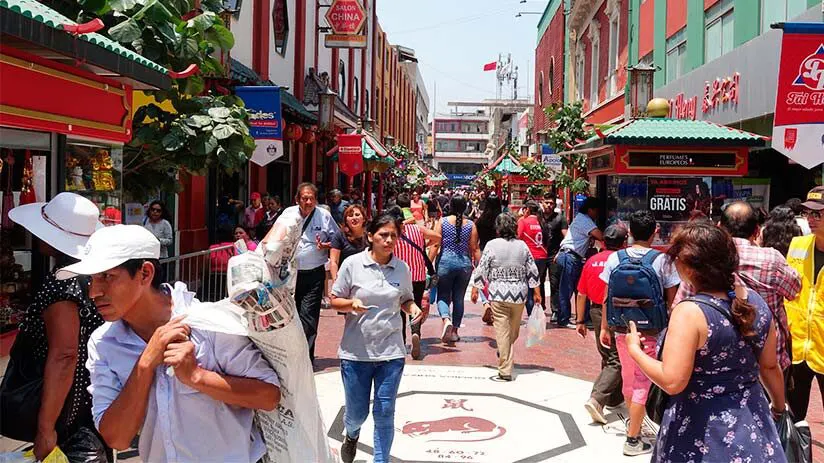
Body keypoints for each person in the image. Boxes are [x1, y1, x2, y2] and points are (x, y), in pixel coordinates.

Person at [59, 225, 280, 462]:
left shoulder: (208, 323)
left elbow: (268, 396)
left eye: (107, 277)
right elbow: (117, 439)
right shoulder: (103, 343)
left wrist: (196, 376)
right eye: (91, 280)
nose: (94, 292)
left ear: (145, 273)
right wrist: (145, 365)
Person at [629, 222, 786, 462]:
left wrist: (636, 351)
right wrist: (777, 406)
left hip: (700, 429)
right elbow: (770, 367)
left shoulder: (690, 312)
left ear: (689, 266)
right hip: (753, 424)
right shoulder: (755, 303)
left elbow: (672, 381)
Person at [3, 193, 107, 461]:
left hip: (66, 414)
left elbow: (64, 355)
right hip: (89, 400)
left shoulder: (62, 283)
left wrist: (46, 428)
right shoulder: (94, 276)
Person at [330, 213, 423, 463]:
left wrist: (412, 308)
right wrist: (351, 304)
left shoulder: (402, 268)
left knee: (384, 412)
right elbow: (334, 299)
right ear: (370, 236)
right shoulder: (352, 264)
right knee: (357, 413)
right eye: (383, 235)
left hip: (391, 352)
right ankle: (351, 435)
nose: (389, 240)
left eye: (393, 235)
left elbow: (405, 298)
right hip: (356, 352)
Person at [676, 201, 801, 374]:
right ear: (757, 230)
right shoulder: (772, 259)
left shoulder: (703, 259)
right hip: (769, 362)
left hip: (715, 366)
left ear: (719, 227)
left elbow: (680, 305)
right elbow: (795, 290)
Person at [599, 210, 680, 457]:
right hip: (651, 331)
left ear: (630, 233)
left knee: (629, 376)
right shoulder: (662, 260)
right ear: (655, 232)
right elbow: (673, 299)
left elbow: (606, 297)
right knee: (643, 381)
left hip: (622, 327)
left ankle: (633, 424)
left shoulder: (616, 258)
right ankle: (633, 439)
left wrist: (604, 327)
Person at [470, 213, 540, 381]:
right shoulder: (522, 246)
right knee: (509, 331)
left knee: (507, 333)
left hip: (499, 294)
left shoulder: (492, 245)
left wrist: (475, 287)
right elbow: (532, 269)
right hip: (518, 296)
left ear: (498, 228)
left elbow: (482, 268)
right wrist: (536, 291)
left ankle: (504, 351)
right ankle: (505, 369)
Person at [575, 224, 627, 424]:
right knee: (617, 358)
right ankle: (597, 399)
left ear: (603, 242)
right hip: (617, 311)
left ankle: (614, 398)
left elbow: (581, 293)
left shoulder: (591, 261)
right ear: (623, 243)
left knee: (607, 353)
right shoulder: (622, 261)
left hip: (596, 312)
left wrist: (580, 320)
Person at [283, 183, 339, 362]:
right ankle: (289, 355)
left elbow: (337, 240)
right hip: (289, 275)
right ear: (297, 199)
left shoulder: (324, 216)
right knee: (289, 315)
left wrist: (326, 245)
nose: (308, 201)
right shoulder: (288, 214)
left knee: (308, 315)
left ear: (316, 200)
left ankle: (305, 359)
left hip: (314, 274)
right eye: (304, 198)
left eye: (311, 198)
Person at [784, 186, 824, 422]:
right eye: (808, 213)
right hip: (798, 347)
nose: (811, 219)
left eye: (818, 213)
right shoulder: (798, 245)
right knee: (794, 417)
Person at [392, 199, 441, 359]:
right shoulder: (417, 229)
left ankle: (401, 341)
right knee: (416, 306)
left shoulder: (391, 234)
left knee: (399, 309)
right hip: (418, 275)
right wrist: (424, 244)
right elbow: (437, 237)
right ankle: (416, 334)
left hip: (398, 276)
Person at [434, 195, 480, 343]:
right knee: (459, 298)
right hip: (464, 264)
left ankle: (446, 319)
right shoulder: (471, 225)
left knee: (443, 295)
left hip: (445, 263)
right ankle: (454, 331)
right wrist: (480, 267)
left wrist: (427, 262)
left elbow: (435, 244)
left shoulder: (442, 222)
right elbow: (474, 248)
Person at [556, 197, 603, 328]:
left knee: (580, 288)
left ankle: (583, 317)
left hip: (571, 256)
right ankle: (564, 319)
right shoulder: (585, 220)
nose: (597, 213)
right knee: (566, 289)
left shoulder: (581, 218)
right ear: (590, 210)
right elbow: (600, 235)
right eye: (596, 210)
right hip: (569, 256)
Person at [518, 201, 548, 317]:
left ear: (527, 210)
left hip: (530, 259)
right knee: (538, 285)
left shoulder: (523, 222)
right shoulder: (542, 222)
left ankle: (532, 316)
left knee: (529, 290)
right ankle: (538, 313)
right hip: (542, 258)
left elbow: (518, 237)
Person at [542, 194, 568, 321]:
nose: (548, 205)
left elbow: (566, 237)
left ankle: (555, 310)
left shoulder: (560, 218)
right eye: (546, 202)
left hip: (554, 255)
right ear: (542, 202)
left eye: (551, 203)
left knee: (555, 283)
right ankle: (540, 307)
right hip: (540, 255)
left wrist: (561, 252)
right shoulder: (538, 217)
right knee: (538, 282)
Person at [329, 204, 368, 283]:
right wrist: (335, 281)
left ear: (363, 218)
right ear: (346, 220)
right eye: (350, 216)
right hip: (345, 279)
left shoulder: (370, 236)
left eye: (357, 215)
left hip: (366, 278)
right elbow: (334, 261)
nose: (354, 218)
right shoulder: (339, 235)